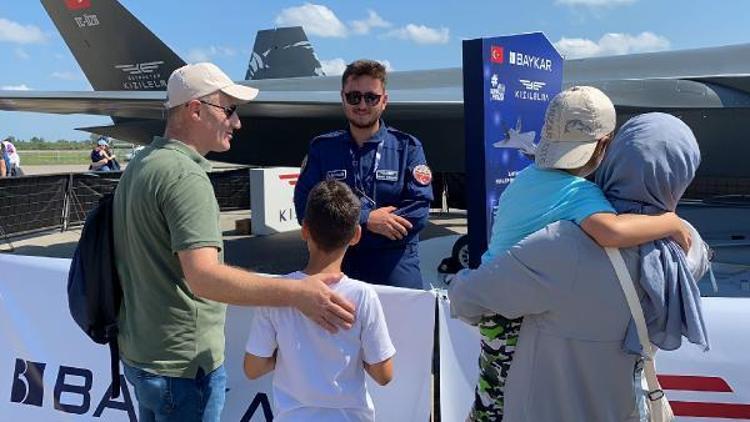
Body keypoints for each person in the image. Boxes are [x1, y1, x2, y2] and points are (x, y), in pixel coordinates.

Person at [113, 62, 356, 422]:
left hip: (142, 356)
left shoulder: (142, 164)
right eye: (228, 110)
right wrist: (298, 293)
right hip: (183, 368)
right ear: (195, 109)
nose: (237, 122)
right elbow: (204, 278)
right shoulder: (185, 177)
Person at [449, 112, 710, 421]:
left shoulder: (562, 245)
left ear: (613, 157)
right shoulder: (687, 250)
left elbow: (467, 300)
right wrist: (672, 222)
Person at [244, 180, 395, 421]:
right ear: (356, 235)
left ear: (305, 229)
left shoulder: (278, 294)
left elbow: (253, 368)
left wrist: (285, 357)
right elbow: (384, 374)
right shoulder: (363, 296)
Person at [293, 59, 434, 289]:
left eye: (371, 97)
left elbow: (418, 212)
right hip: (338, 265)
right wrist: (366, 219)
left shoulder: (408, 148)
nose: (362, 105)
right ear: (343, 98)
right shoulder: (323, 149)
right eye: (354, 97)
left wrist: (345, 226)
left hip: (393, 267)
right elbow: (305, 208)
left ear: (384, 101)